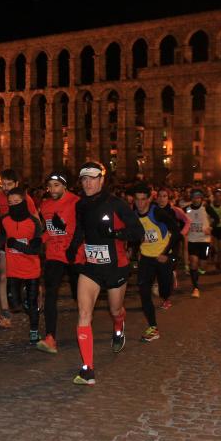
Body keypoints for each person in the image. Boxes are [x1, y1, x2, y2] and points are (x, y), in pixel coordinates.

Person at [66, 162, 144, 385]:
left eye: (92, 178)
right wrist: (72, 248)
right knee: (83, 313)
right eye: (84, 179)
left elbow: (137, 231)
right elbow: (81, 229)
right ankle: (87, 369)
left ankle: (119, 327)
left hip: (115, 267)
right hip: (91, 267)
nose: (88, 183)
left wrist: (116, 233)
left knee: (115, 309)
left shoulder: (116, 204)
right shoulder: (81, 205)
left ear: (101, 180)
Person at [37, 171, 80, 353]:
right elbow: (49, 231)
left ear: (64, 186)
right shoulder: (45, 205)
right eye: (50, 186)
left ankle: (85, 328)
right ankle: (50, 337)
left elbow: (82, 229)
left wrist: (65, 228)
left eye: (56, 185)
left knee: (80, 296)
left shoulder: (75, 202)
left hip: (75, 255)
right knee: (51, 294)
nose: (53, 189)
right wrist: (39, 239)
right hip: (54, 255)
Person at [132, 184, 180, 343]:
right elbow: (134, 236)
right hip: (146, 258)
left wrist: (166, 254)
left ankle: (169, 282)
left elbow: (177, 233)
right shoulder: (133, 215)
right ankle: (153, 327)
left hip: (162, 257)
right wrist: (134, 253)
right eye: (137, 199)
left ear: (149, 199)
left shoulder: (157, 213)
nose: (140, 203)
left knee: (165, 292)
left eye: (143, 199)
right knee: (143, 291)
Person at [0, 169, 38, 329]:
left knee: (28, 276)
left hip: (24, 245)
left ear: (17, 184)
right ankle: (5, 314)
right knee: (4, 276)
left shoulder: (27, 200)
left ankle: (33, 301)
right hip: (7, 242)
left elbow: (36, 221)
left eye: (9, 184)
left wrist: (33, 245)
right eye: (3, 184)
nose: (5, 187)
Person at [0, 187, 44, 345]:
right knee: (14, 304)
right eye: (10, 203)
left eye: (17, 202)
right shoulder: (4, 220)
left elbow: (36, 249)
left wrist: (16, 244)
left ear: (24, 202)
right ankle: (25, 302)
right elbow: (1, 238)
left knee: (31, 304)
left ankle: (34, 331)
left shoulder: (34, 222)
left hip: (31, 270)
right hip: (13, 270)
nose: (13, 205)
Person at [185, 189, 218, 298]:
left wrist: (211, 227)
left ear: (201, 198)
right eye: (194, 197)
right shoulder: (187, 209)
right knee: (193, 262)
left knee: (203, 266)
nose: (196, 199)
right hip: (192, 240)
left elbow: (216, 218)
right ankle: (195, 288)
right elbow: (179, 219)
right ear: (191, 198)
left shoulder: (206, 208)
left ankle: (199, 271)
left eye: (198, 197)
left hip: (204, 240)